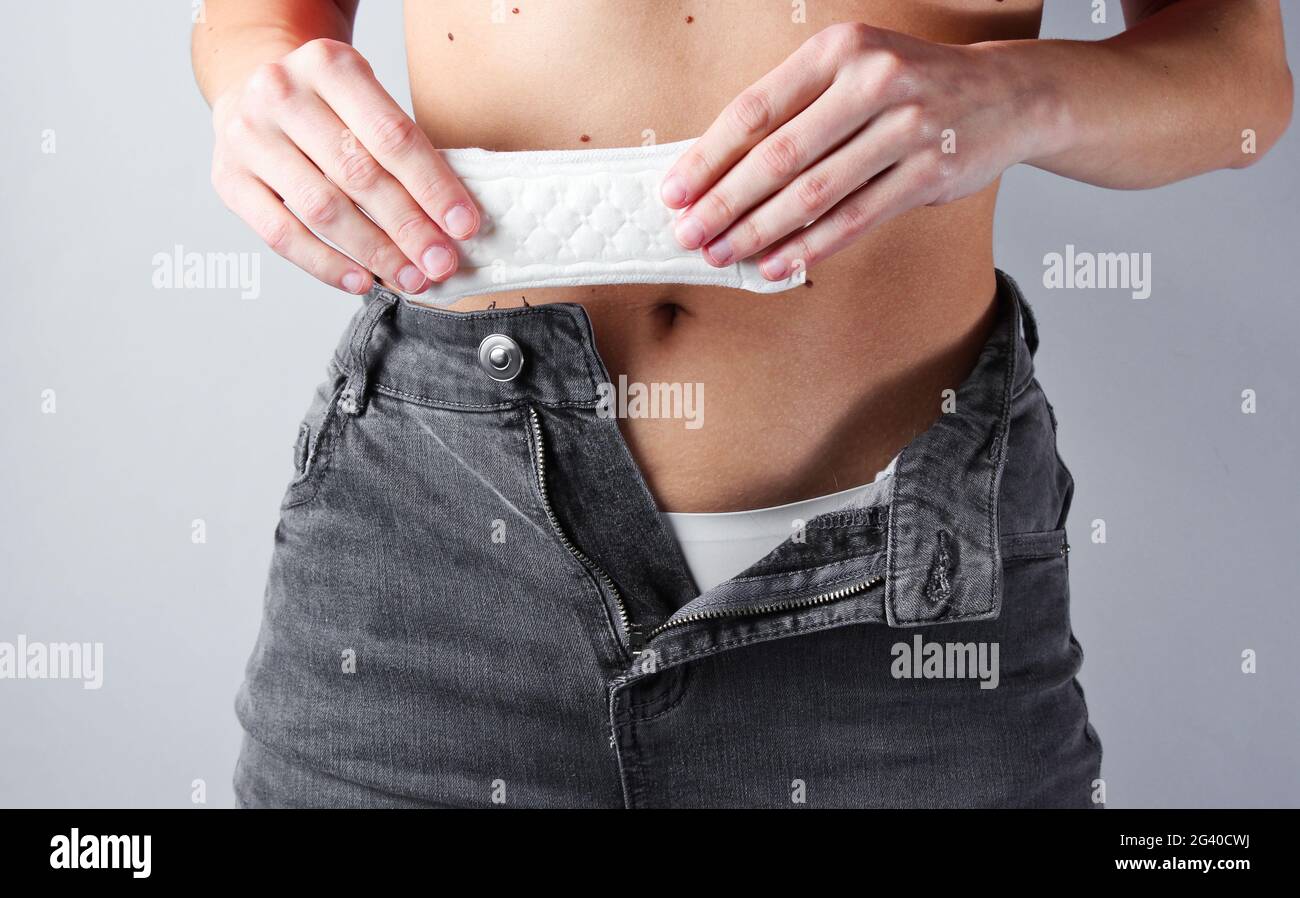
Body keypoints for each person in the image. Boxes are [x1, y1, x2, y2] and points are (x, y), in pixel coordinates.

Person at [192, 0, 1292, 808]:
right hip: (437, 543)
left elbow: (1241, 76)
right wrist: (261, 80)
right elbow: (253, 21)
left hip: (909, 587)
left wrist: (1023, 91)